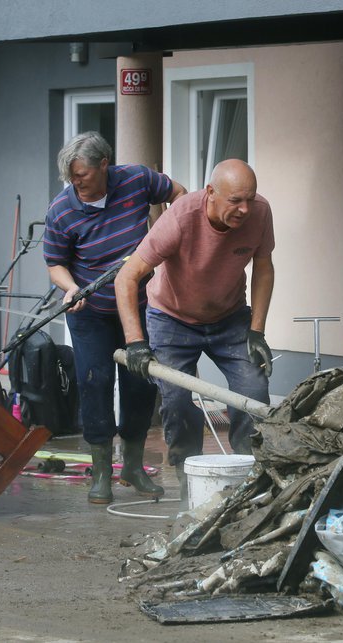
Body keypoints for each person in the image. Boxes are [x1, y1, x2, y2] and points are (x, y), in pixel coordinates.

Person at [114, 159, 275, 504]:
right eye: (235, 201)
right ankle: (191, 484)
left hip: (230, 317)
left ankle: (251, 480)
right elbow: (127, 277)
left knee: (253, 392)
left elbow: (263, 267)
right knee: (175, 403)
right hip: (172, 318)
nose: (244, 209)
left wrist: (257, 331)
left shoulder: (259, 213)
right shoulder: (181, 218)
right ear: (211, 194)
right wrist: (136, 343)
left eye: (250, 198)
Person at [43, 131, 187, 504]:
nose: (76, 184)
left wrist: (170, 239)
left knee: (141, 383)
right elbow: (55, 263)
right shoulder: (61, 210)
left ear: (104, 165)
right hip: (90, 312)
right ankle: (101, 473)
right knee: (95, 382)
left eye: (82, 176)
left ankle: (134, 468)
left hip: (140, 307)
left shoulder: (137, 179)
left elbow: (179, 195)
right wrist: (70, 288)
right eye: (71, 178)